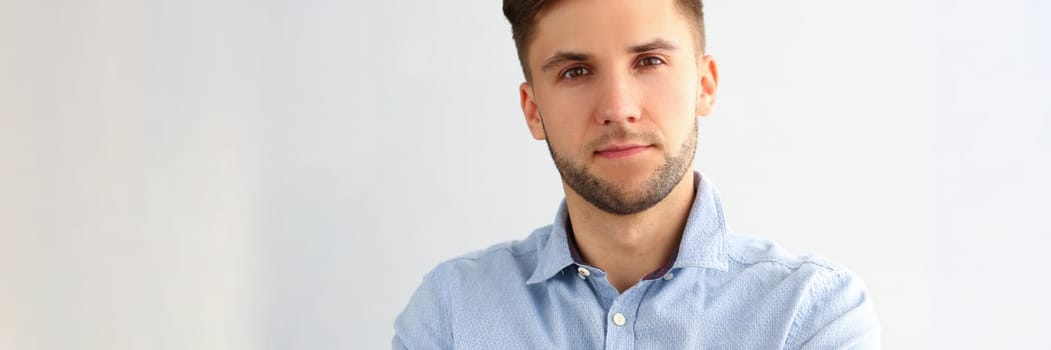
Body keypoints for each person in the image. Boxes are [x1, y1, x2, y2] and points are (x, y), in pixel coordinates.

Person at [393, 0, 880, 348]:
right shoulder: (452, 312)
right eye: (576, 72)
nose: (618, 109)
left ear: (705, 85)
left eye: (649, 61)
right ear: (533, 110)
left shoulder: (812, 313)